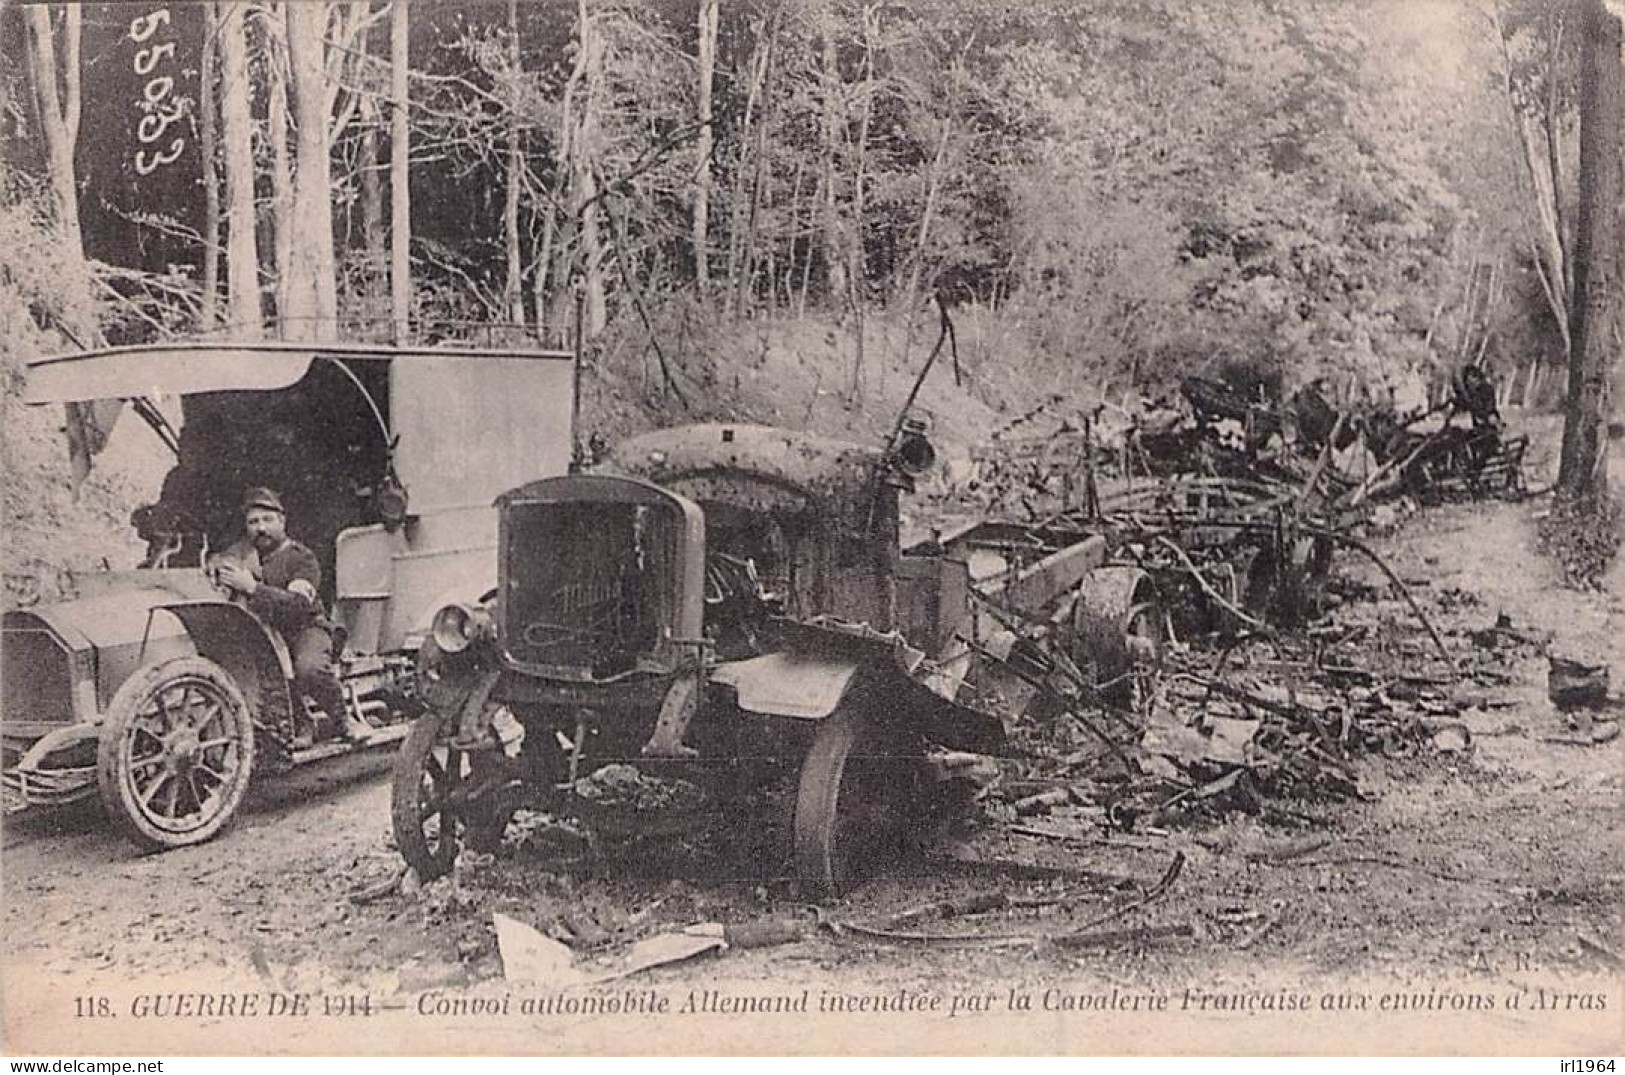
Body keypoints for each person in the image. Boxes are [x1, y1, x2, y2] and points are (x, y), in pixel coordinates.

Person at [214, 487, 369, 742]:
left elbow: (299, 605)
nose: (260, 528)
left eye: (267, 520)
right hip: (265, 631)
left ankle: (344, 720)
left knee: (308, 668)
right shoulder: (245, 556)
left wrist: (252, 588)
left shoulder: (300, 558)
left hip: (305, 629)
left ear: (282, 521)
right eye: (253, 522)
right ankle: (301, 723)